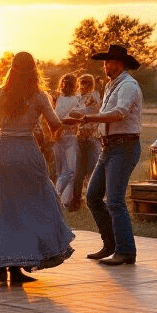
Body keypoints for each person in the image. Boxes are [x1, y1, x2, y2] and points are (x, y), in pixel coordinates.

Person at [0, 52, 76, 283]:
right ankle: (16, 265)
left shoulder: (1, 93)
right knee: (32, 206)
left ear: (12, 69)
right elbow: (55, 125)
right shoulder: (39, 96)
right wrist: (76, 120)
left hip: (1, 152)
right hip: (26, 153)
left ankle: (4, 264)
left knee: (3, 209)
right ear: (34, 70)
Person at [69, 44, 143, 266]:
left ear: (118, 63)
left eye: (107, 62)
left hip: (124, 147)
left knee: (115, 200)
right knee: (93, 196)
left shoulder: (128, 85)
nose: (104, 66)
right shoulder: (112, 85)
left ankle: (126, 251)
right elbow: (104, 112)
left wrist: (90, 119)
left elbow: (119, 113)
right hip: (109, 147)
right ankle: (111, 245)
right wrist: (83, 115)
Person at [71, 73, 102, 212]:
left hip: (92, 138)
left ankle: (94, 201)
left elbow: (92, 111)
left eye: (85, 83)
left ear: (90, 84)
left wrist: (76, 112)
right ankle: (76, 201)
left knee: (92, 170)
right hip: (80, 138)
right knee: (78, 172)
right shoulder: (79, 97)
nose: (82, 86)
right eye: (81, 83)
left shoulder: (94, 96)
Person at [51, 73, 81, 209]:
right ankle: (56, 198)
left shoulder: (73, 99)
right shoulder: (60, 98)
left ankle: (64, 201)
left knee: (65, 171)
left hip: (65, 136)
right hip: (62, 136)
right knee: (67, 171)